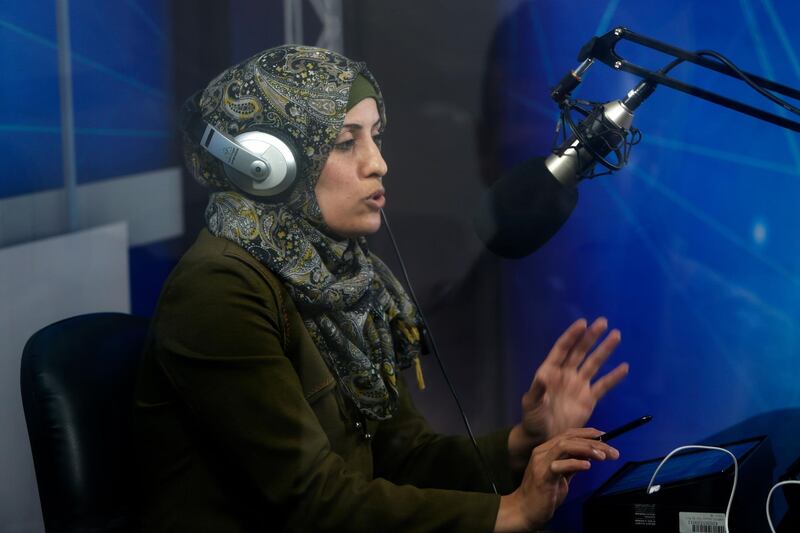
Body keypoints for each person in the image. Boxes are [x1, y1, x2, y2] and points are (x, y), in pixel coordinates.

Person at [133, 45, 629, 533]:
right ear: (267, 166)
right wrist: (511, 512)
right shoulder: (219, 290)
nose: (378, 163)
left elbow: (402, 458)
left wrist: (523, 442)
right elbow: (312, 503)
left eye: (375, 137)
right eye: (346, 142)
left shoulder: (340, 280)